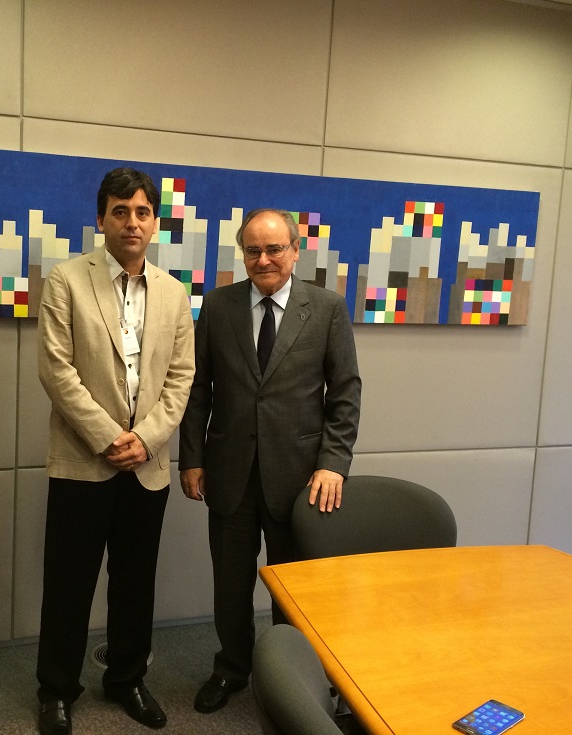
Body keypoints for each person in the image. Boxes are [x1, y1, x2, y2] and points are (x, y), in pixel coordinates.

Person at [179, 208, 361, 714]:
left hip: (301, 480)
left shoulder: (326, 308)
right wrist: (191, 458)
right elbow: (198, 389)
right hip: (229, 473)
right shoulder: (218, 306)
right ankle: (232, 667)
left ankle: (294, 679)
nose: (263, 259)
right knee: (230, 584)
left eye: (274, 249)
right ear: (243, 254)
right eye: (253, 250)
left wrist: (333, 463)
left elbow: (345, 392)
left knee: (294, 589)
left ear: (295, 251)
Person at [35, 167, 195, 735]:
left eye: (142, 212)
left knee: (135, 580)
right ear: (101, 218)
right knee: (69, 583)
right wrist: (109, 437)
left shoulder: (174, 293)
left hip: (147, 466)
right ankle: (56, 690)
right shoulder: (66, 281)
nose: (132, 222)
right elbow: (56, 370)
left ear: (155, 222)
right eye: (120, 211)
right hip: (84, 461)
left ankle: (127, 678)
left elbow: (181, 378)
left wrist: (145, 440)